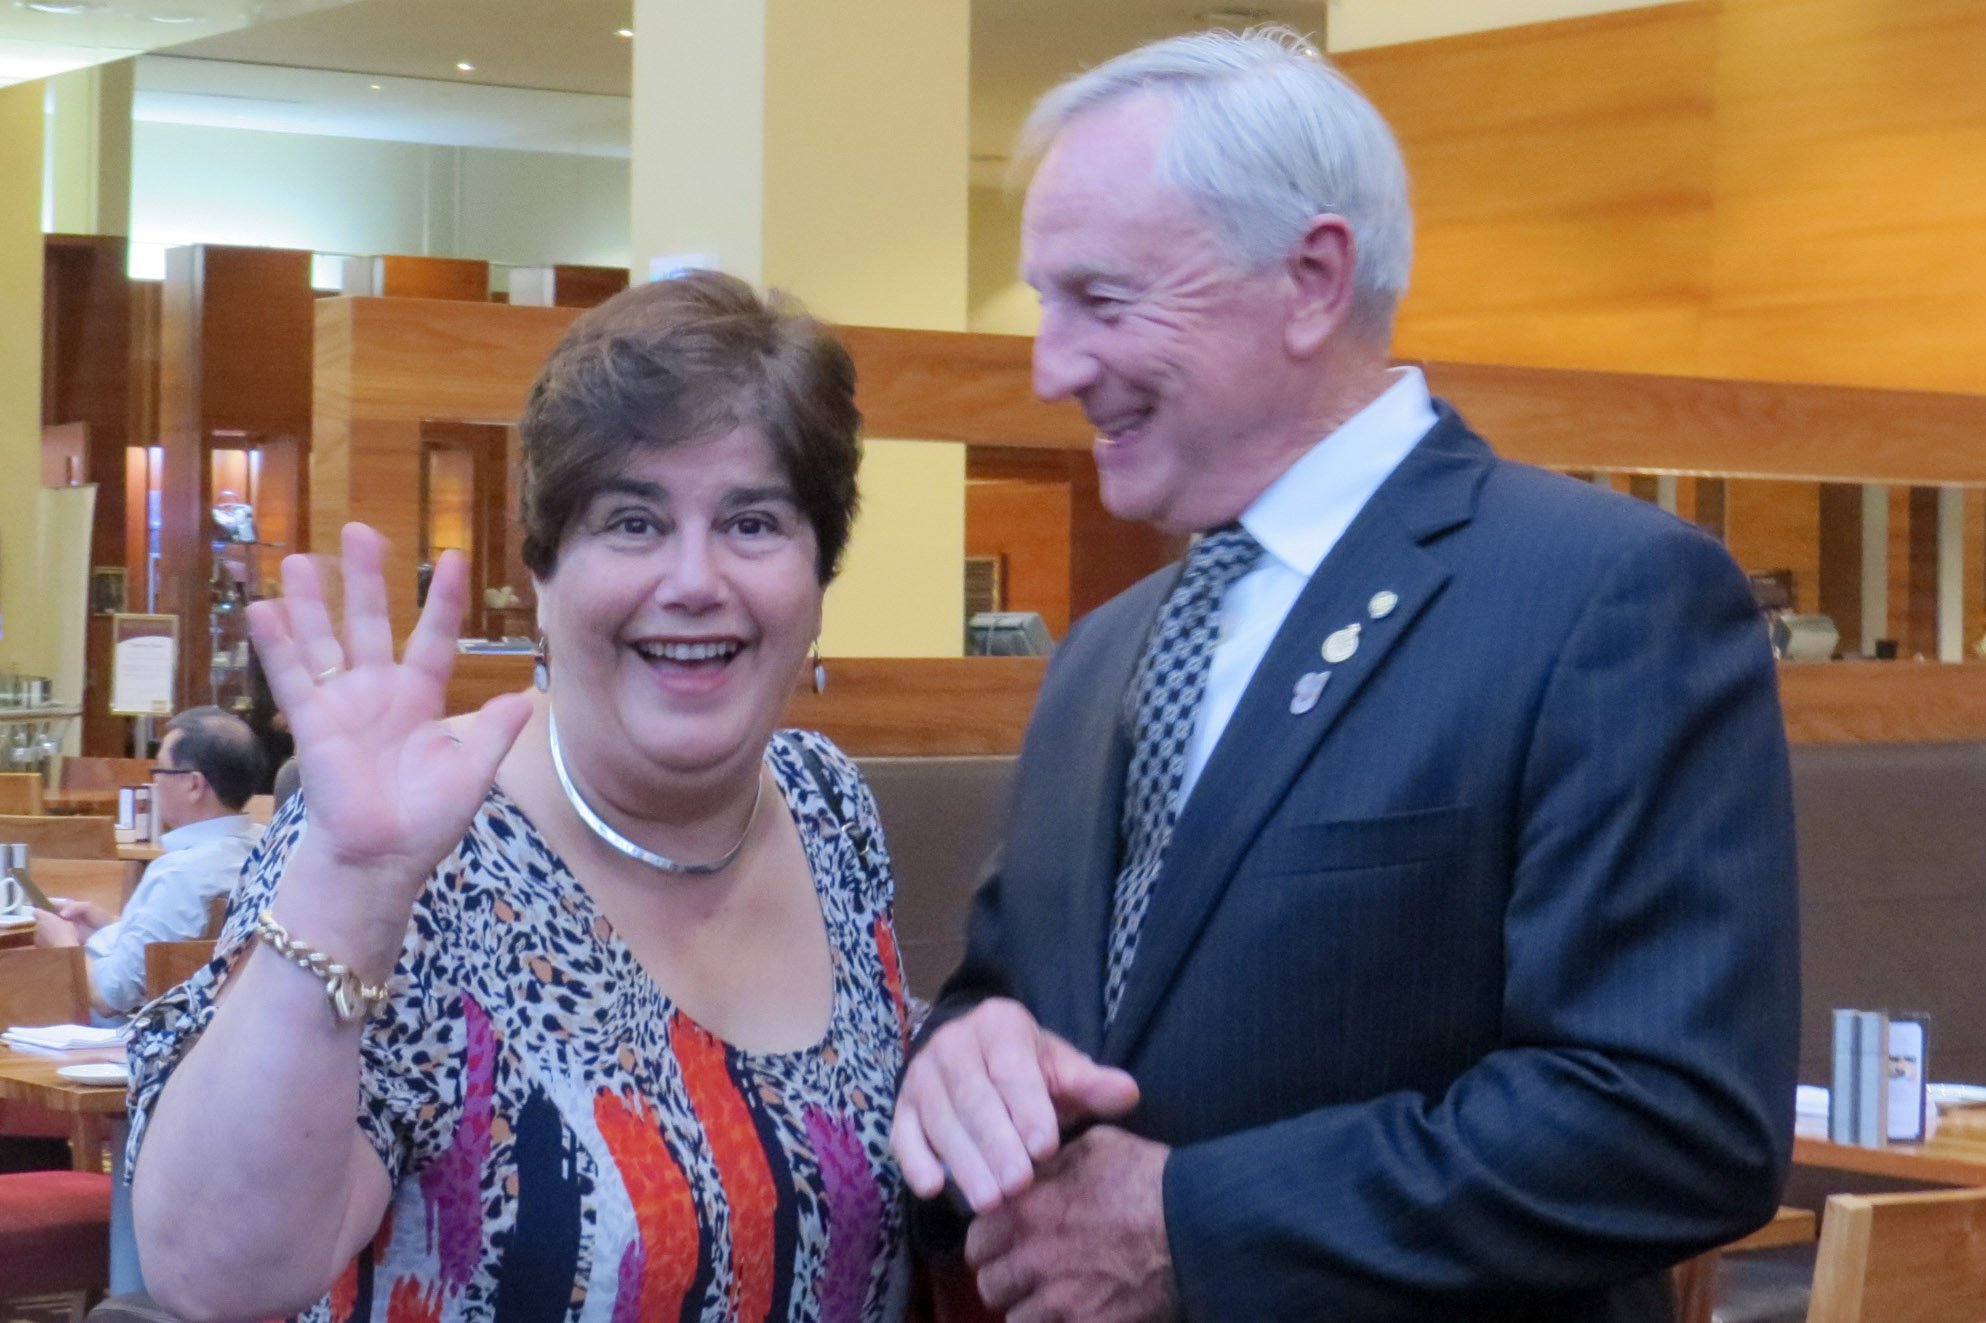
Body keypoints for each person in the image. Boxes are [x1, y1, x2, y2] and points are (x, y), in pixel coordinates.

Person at [891, 28, 1799, 1323]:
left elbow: (1667, 1115)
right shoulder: (1103, 650)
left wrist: (1188, 1224)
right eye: (1045, 302)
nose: (1051, 365)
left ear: (1311, 278)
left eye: (1101, 299)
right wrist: (955, 1061)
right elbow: (1016, 996)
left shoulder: (1601, 598)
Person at [126, 272, 913, 1322]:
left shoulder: (828, 807)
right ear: (542, 577)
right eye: (632, 522)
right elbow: (217, 1275)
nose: (693, 579)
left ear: (819, 577)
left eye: (753, 523)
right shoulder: (421, 842)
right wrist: (355, 886)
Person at [34, 706, 264, 1020]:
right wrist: (113, 926)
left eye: (159, 772)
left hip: (129, 1037)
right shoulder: (268, 847)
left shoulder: (181, 874)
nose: (153, 785)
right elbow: (181, 946)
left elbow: (109, 994)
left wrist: (63, 944)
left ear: (193, 785)